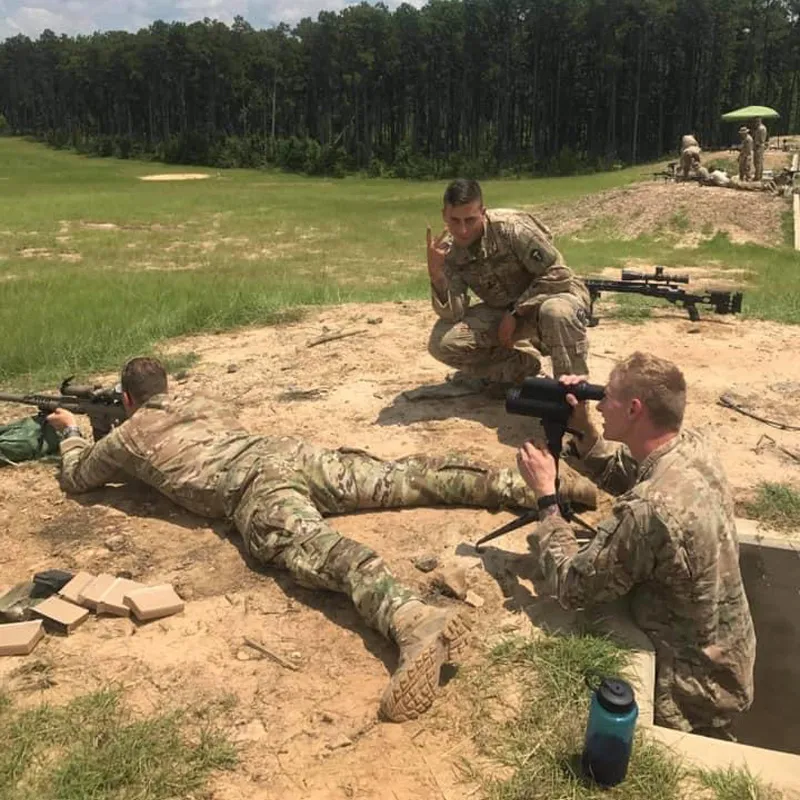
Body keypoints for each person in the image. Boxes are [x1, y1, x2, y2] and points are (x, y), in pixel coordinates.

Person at [45, 356, 596, 722]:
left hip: (251, 488)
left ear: (127, 399)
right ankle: (531, 484)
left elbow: (79, 478)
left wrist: (72, 433)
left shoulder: (130, 434)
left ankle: (412, 618)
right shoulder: (201, 401)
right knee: (402, 477)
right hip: (289, 453)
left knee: (323, 552)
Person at [515, 352, 756, 735]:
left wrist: (546, 498)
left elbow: (572, 586)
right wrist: (585, 432)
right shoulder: (692, 450)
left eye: (605, 397)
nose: (598, 405)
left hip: (690, 689)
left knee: (582, 611)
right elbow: (634, 474)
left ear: (633, 409)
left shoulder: (651, 511)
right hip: (729, 661)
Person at [426, 179, 591, 384]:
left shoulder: (511, 228)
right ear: (444, 215)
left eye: (470, 220)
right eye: (455, 221)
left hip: (553, 295)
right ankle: (521, 368)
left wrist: (516, 311)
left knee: (556, 312)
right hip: (504, 312)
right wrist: (436, 274)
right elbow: (454, 314)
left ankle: (572, 395)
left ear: (483, 212)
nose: (463, 230)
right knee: (443, 342)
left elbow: (558, 273)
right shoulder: (448, 251)